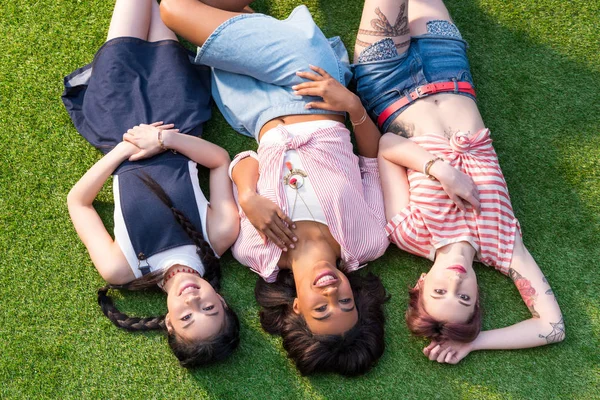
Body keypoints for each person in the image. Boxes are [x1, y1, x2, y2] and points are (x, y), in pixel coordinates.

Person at [159, 0, 389, 375]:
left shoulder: (254, 252)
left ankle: (247, 16)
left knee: (227, 16)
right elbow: (373, 161)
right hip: (311, 88)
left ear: (297, 307)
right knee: (172, 10)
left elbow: (243, 161)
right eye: (346, 303)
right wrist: (351, 104)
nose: (332, 294)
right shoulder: (367, 241)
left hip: (251, 111)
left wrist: (248, 196)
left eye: (321, 309)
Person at [351, 0, 565, 363]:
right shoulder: (504, 246)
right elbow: (553, 327)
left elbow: (387, 147)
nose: (456, 281)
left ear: (420, 284)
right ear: (478, 296)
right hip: (449, 68)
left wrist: (440, 170)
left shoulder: (409, 234)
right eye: (464, 297)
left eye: (439, 291)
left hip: (388, 84)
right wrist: (474, 341)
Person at [62, 0, 240, 368]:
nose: (193, 301)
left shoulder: (121, 269)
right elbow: (220, 160)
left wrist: (124, 150)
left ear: (170, 325)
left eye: (187, 317)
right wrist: (164, 141)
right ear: (221, 301)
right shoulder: (219, 237)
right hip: (177, 115)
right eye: (208, 308)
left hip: (118, 123)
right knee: (168, 9)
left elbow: (78, 202)